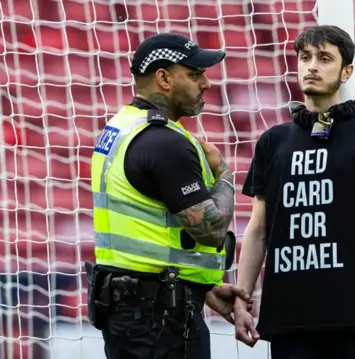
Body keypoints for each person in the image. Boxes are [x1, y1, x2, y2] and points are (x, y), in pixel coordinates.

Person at [232, 25, 355, 358]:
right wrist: (242, 297)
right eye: (306, 57)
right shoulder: (273, 140)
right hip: (290, 318)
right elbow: (257, 230)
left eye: (325, 59)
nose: (312, 66)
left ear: (346, 71)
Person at [86, 33, 251, 359]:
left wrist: (199, 287)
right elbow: (211, 229)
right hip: (160, 321)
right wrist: (225, 176)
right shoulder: (164, 142)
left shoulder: (121, 126)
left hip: (134, 312)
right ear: (163, 78)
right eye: (194, 74)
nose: (205, 83)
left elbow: (147, 236)